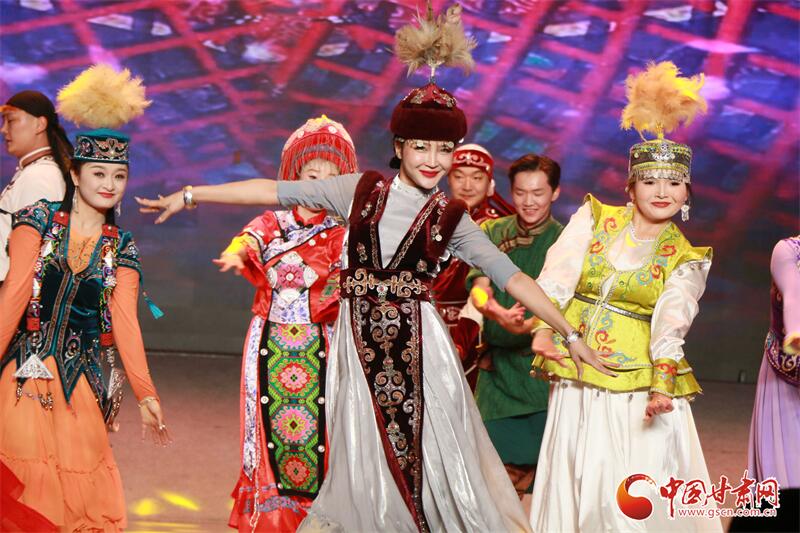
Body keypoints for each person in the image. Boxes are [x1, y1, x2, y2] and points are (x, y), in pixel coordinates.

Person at [137, 5, 615, 531]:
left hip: (420, 347)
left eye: (444, 149)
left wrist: (570, 333)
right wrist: (191, 194)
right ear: (399, 147)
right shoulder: (360, 191)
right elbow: (271, 191)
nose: (432, 159)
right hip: (355, 343)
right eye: (421, 146)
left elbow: (513, 277)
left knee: (430, 453)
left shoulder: (451, 217)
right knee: (363, 452)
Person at [529, 61, 721, 531]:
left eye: (674, 182)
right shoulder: (594, 219)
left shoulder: (686, 256)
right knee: (575, 473)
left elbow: (671, 323)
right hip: (576, 369)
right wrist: (543, 329)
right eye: (650, 181)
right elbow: (557, 278)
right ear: (630, 187)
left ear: (687, 193)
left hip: (632, 382)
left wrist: (662, 385)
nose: (663, 191)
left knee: (624, 487)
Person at [0, 64, 168, 532]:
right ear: (74, 174)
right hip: (23, 373)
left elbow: (126, 323)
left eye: (119, 175)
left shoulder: (121, 246)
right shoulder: (37, 220)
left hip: (79, 381)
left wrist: (146, 394)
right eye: (98, 173)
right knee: (27, 494)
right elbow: (14, 296)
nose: (109, 184)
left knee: (80, 502)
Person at [216, 116, 358, 531]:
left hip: (322, 342)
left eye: (329, 179)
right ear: (295, 177)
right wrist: (235, 254)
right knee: (268, 425)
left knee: (322, 428)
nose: (318, 186)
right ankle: (274, 518)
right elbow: (247, 240)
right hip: (269, 341)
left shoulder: (344, 233)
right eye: (312, 176)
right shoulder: (272, 223)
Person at [465, 153, 563, 504]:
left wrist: (534, 327)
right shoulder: (492, 231)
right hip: (497, 376)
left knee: (543, 476)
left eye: (538, 193)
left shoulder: (564, 241)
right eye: (521, 193)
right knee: (491, 475)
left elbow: (565, 302)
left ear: (555, 193)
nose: (528, 201)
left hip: (541, 375)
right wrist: (494, 311)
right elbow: (479, 286)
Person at [432, 143, 508, 389]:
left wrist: (462, 342)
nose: (467, 185)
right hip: (431, 330)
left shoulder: (499, 230)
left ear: (490, 184)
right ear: (448, 180)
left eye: (477, 178)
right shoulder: (432, 222)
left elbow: (484, 293)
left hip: (476, 339)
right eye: (459, 176)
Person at [0, 90, 73, 283]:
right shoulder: (33, 172)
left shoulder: (40, 176)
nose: (4, 129)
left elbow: (34, 259)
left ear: (40, 124)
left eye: (11, 120)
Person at [747, 236, 800, 485]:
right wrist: (796, 332)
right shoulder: (789, 251)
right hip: (785, 376)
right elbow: (793, 295)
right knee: (786, 474)